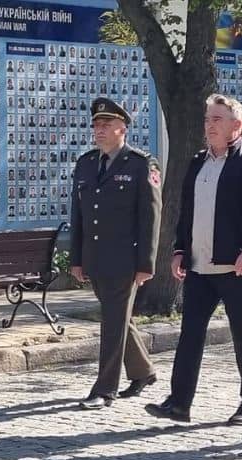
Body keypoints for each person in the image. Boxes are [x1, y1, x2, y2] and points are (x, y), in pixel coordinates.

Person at [145, 94, 242, 425]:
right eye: (207, 120)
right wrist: (179, 250)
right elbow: (186, 212)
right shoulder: (198, 162)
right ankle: (179, 402)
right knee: (190, 334)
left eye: (217, 120)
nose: (210, 126)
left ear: (237, 125)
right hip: (199, 267)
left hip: (237, 267)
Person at [69, 97, 162, 410]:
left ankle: (104, 389)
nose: (99, 130)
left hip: (126, 258)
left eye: (106, 125)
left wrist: (146, 263)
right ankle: (143, 371)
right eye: (96, 125)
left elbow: (151, 217)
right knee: (119, 318)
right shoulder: (85, 163)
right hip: (96, 257)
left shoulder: (140, 164)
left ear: (123, 128)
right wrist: (77, 259)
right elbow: (78, 215)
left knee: (111, 322)